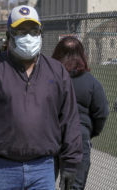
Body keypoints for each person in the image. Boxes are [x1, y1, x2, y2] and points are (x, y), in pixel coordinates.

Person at [0, 5, 82, 190]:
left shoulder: (56, 71)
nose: (28, 37)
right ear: (9, 36)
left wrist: (70, 163)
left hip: (43, 169)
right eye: (21, 31)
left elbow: (69, 119)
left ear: (41, 34)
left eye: (34, 31)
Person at [52, 36, 109, 190]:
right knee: (73, 186)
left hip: (51, 135)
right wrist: (88, 132)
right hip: (78, 138)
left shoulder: (49, 79)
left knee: (44, 183)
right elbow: (101, 113)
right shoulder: (91, 82)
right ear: (82, 55)